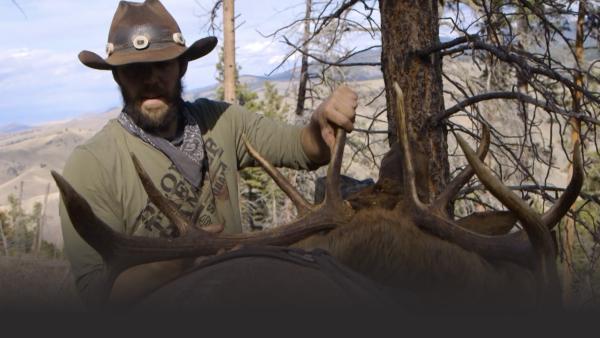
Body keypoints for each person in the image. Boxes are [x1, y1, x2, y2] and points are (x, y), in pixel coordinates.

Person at [59, 0, 357, 307]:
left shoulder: (221, 122)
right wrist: (179, 259)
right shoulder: (92, 164)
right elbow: (99, 295)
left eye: (162, 65)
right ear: (117, 76)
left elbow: (303, 148)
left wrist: (322, 122)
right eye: (135, 70)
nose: (150, 80)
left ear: (182, 66)